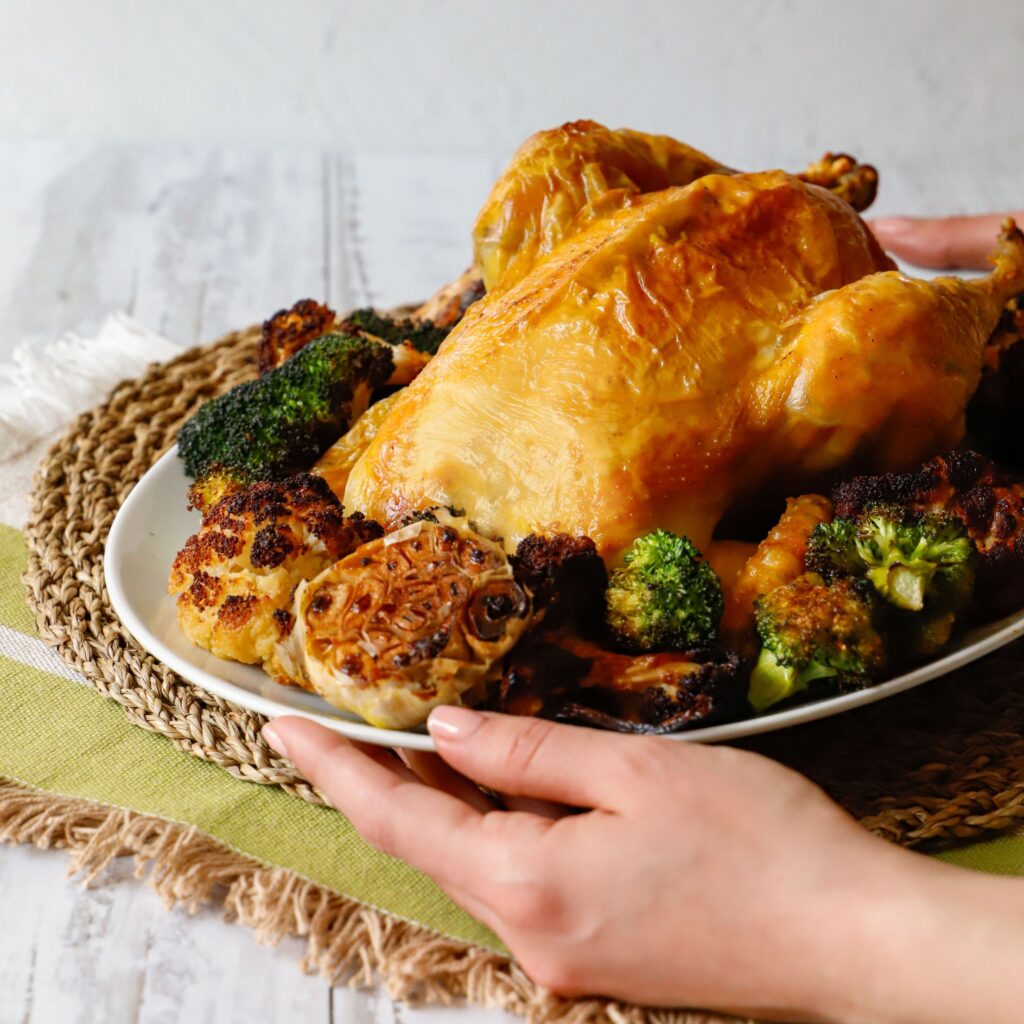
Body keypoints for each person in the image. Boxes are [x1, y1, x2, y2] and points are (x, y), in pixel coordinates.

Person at [262, 214, 1024, 1024]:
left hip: (707, 263)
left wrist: (813, 925)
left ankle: (994, 295)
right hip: (681, 258)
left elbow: (741, 600)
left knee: (858, 356)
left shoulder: (551, 532)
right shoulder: (372, 480)